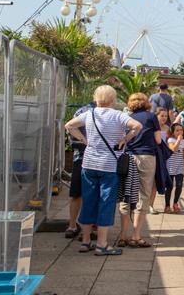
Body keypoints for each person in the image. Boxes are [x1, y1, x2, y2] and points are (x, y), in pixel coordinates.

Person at [64, 85, 143, 256]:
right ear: (113, 99)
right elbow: (137, 126)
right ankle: (102, 244)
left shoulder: (89, 114)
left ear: (96, 98)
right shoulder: (118, 115)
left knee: (89, 201)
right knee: (106, 203)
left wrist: (84, 139)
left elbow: (69, 125)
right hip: (109, 165)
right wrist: (125, 138)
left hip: (89, 164)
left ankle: (86, 241)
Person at [116, 93, 161, 248]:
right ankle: (136, 235)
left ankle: (122, 235)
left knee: (125, 193)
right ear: (146, 103)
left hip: (128, 157)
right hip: (147, 157)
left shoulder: (126, 117)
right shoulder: (151, 117)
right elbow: (158, 140)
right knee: (144, 194)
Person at [64, 103, 91, 239]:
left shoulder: (83, 110)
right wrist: (86, 141)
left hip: (80, 158)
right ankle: (78, 227)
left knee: (77, 194)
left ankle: (74, 226)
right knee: (87, 194)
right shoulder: (86, 111)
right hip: (86, 158)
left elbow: (70, 130)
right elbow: (69, 127)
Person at [147, 107, 172, 214]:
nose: (164, 118)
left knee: (156, 182)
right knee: (148, 181)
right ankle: (142, 204)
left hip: (162, 157)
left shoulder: (167, 128)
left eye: (166, 116)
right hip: (152, 155)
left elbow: (169, 143)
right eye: (162, 115)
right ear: (156, 116)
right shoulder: (151, 127)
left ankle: (150, 205)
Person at [165, 123, 184, 213]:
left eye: (181, 130)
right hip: (170, 166)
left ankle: (175, 203)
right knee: (169, 187)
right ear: (173, 132)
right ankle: (167, 206)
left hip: (180, 166)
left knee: (179, 185)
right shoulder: (171, 140)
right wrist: (178, 140)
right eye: (177, 130)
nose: (179, 132)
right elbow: (173, 149)